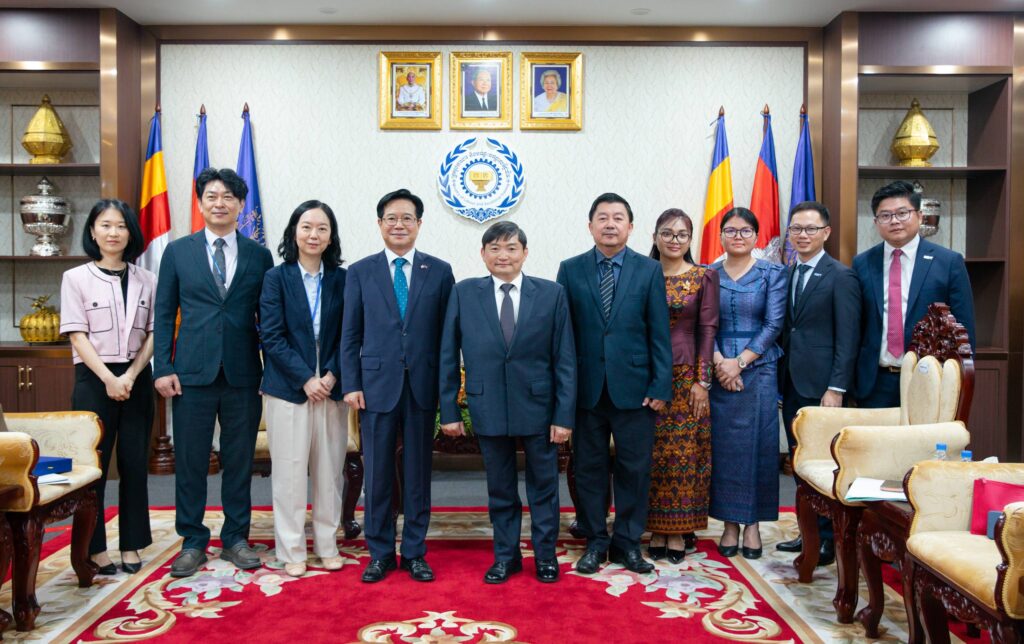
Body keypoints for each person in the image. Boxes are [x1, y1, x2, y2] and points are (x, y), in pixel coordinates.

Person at [153, 167, 274, 578]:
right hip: (191, 374)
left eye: (228, 197)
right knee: (191, 461)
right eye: (212, 196)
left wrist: (271, 373)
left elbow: (268, 318)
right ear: (201, 203)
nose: (220, 203)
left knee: (239, 461)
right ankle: (192, 541)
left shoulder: (259, 256)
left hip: (243, 374)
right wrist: (163, 367)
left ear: (240, 205)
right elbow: (164, 313)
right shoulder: (178, 252)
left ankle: (236, 537)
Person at [439, 221, 576, 584]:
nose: (503, 255)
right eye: (495, 248)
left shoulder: (551, 294)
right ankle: (506, 556)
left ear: (525, 253)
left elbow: (564, 359)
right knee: (499, 488)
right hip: (488, 405)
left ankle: (545, 557)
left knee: (544, 487)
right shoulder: (463, 293)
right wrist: (449, 409)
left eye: (511, 248)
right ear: (483, 254)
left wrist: (564, 416)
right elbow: (448, 354)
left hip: (540, 408)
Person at [341, 189, 454, 584]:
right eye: (391, 218)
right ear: (379, 224)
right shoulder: (360, 271)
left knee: (418, 473)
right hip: (375, 386)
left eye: (407, 218)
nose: (399, 224)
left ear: (419, 224)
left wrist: (446, 390)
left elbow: (447, 338)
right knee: (377, 473)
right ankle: (381, 552)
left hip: (422, 385)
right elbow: (350, 334)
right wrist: (351, 383)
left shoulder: (439, 271)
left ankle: (416, 552)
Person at [556, 192, 672, 575]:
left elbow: (659, 332)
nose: (610, 224)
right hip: (586, 391)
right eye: (602, 217)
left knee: (634, 470)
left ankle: (627, 543)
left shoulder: (648, 270)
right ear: (590, 226)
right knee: (588, 469)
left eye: (618, 217)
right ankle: (595, 541)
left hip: (636, 391)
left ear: (631, 227)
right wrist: (564, 392)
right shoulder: (570, 270)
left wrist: (660, 386)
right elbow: (563, 336)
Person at [59, 199, 154, 575]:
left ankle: (132, 544)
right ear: (93, 231)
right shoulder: (75, 278)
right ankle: (94, 548)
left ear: (131, 233)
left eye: (121, 226)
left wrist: (129, 375)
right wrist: (110, 379)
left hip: (136, 378)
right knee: (94, 468)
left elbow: (155, 332)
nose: (114, 233)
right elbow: (77, 335)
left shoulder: (148, 279)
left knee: (134, 464)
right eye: (106, 225)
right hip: (94, 380)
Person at [259, 200, 347, 578]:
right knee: (290, 473)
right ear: (294, 232)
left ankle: (327, 545)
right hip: (288, 389)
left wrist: (331, 375)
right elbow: (271, 336)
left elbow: (351, 334)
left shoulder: (343, 279)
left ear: (331, 236)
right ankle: (292, 548)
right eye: (307, 226)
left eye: (322, 228)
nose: (314, 234)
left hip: (331, 388)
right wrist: (305, 379)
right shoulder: (276, 278)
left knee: (329, 473)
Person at [775, 201, 860, 567]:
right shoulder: (788, 272)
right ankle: (807, 530)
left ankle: (827, 538)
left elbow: (848, 337)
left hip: (824, 387)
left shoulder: (841, 276)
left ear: (826, 232)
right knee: (800, 459)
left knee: (824, 461)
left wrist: (836, 387)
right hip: (792, 381)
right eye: (796, 229)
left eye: (810, 228)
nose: (802, 235)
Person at [853, 180, 975, 408]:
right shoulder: (862, 264)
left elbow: (964, 327)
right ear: (876, 222)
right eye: (885, 215)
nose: (894, 221)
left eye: (902, 213)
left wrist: (959, 379)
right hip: (875, 382)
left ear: (919, 216)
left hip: (930, 379)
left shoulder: (948, 262)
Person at [709, 207, 787, 560]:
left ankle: (752, 523)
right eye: (730, 230)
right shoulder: (707, 274)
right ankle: (728, 523)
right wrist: (720, 363)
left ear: (756, 236)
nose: (737, 236)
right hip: (718, 370)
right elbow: (703, 325)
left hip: (759, 370)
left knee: (759, 448)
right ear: (721, 236)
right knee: (724, 450)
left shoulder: (774, 273)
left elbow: (773, 324)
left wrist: (739, 363)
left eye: (744, 231)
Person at [645, 209, 719, 564]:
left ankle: (678, 530)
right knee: (651, 456)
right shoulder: (642, 274)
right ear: (655, 236)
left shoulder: (704, 276)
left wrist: (703, 381)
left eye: (682, 234)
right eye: (667, 233)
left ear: (690, 240)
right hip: (646, 377)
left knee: (685, 456)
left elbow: (707, 330)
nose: (674, 240)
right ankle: (654, 527)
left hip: (687, 377)